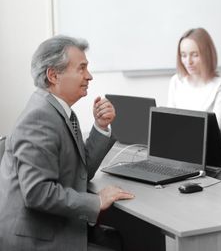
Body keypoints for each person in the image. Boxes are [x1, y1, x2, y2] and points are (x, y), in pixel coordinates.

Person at [0, 35, 134, 251]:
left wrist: (100, 126)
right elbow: (37, 192)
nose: (89, 76)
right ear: (53, 75)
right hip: (36, 241)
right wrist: (97, 201)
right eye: (81, 68)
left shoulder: (56, 110)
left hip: (51, 229)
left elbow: (81, 171)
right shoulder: (39, 119)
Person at [167, 28, 221, 129]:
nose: (188, 61)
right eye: (183, 55)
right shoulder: (176, 81)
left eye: (195, 55)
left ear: (207, 54)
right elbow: (169, 121)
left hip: (206, 142)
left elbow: (217, 127)